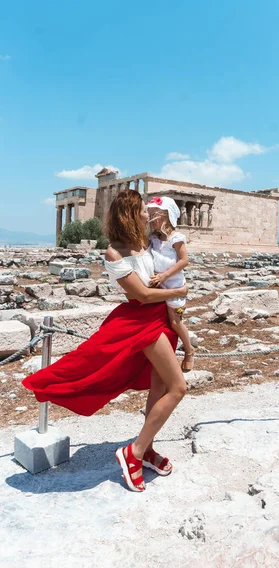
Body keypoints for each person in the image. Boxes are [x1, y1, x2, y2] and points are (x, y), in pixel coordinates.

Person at [23, 190, 188, 493]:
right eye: (140, 210)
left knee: (159, 387)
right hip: (141, 321)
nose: (145, 214)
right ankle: (134, 452)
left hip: (161, 320)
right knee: (179, 387)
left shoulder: (144, 242)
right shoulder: (114, 253)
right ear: (128, 213)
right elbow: (142, 294)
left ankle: (147, 449)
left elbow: (172, 251)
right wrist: (178, 293)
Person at [147, 196, 194, 372]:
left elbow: (184, 261)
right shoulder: (153, 237)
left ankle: (189, 350)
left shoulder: (176, 238)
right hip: (157, 285)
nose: (150, 218)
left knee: (175, 322)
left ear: (166, 216)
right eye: (149, 214)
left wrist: (164, 276)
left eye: (154, 215)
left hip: (174, 285)